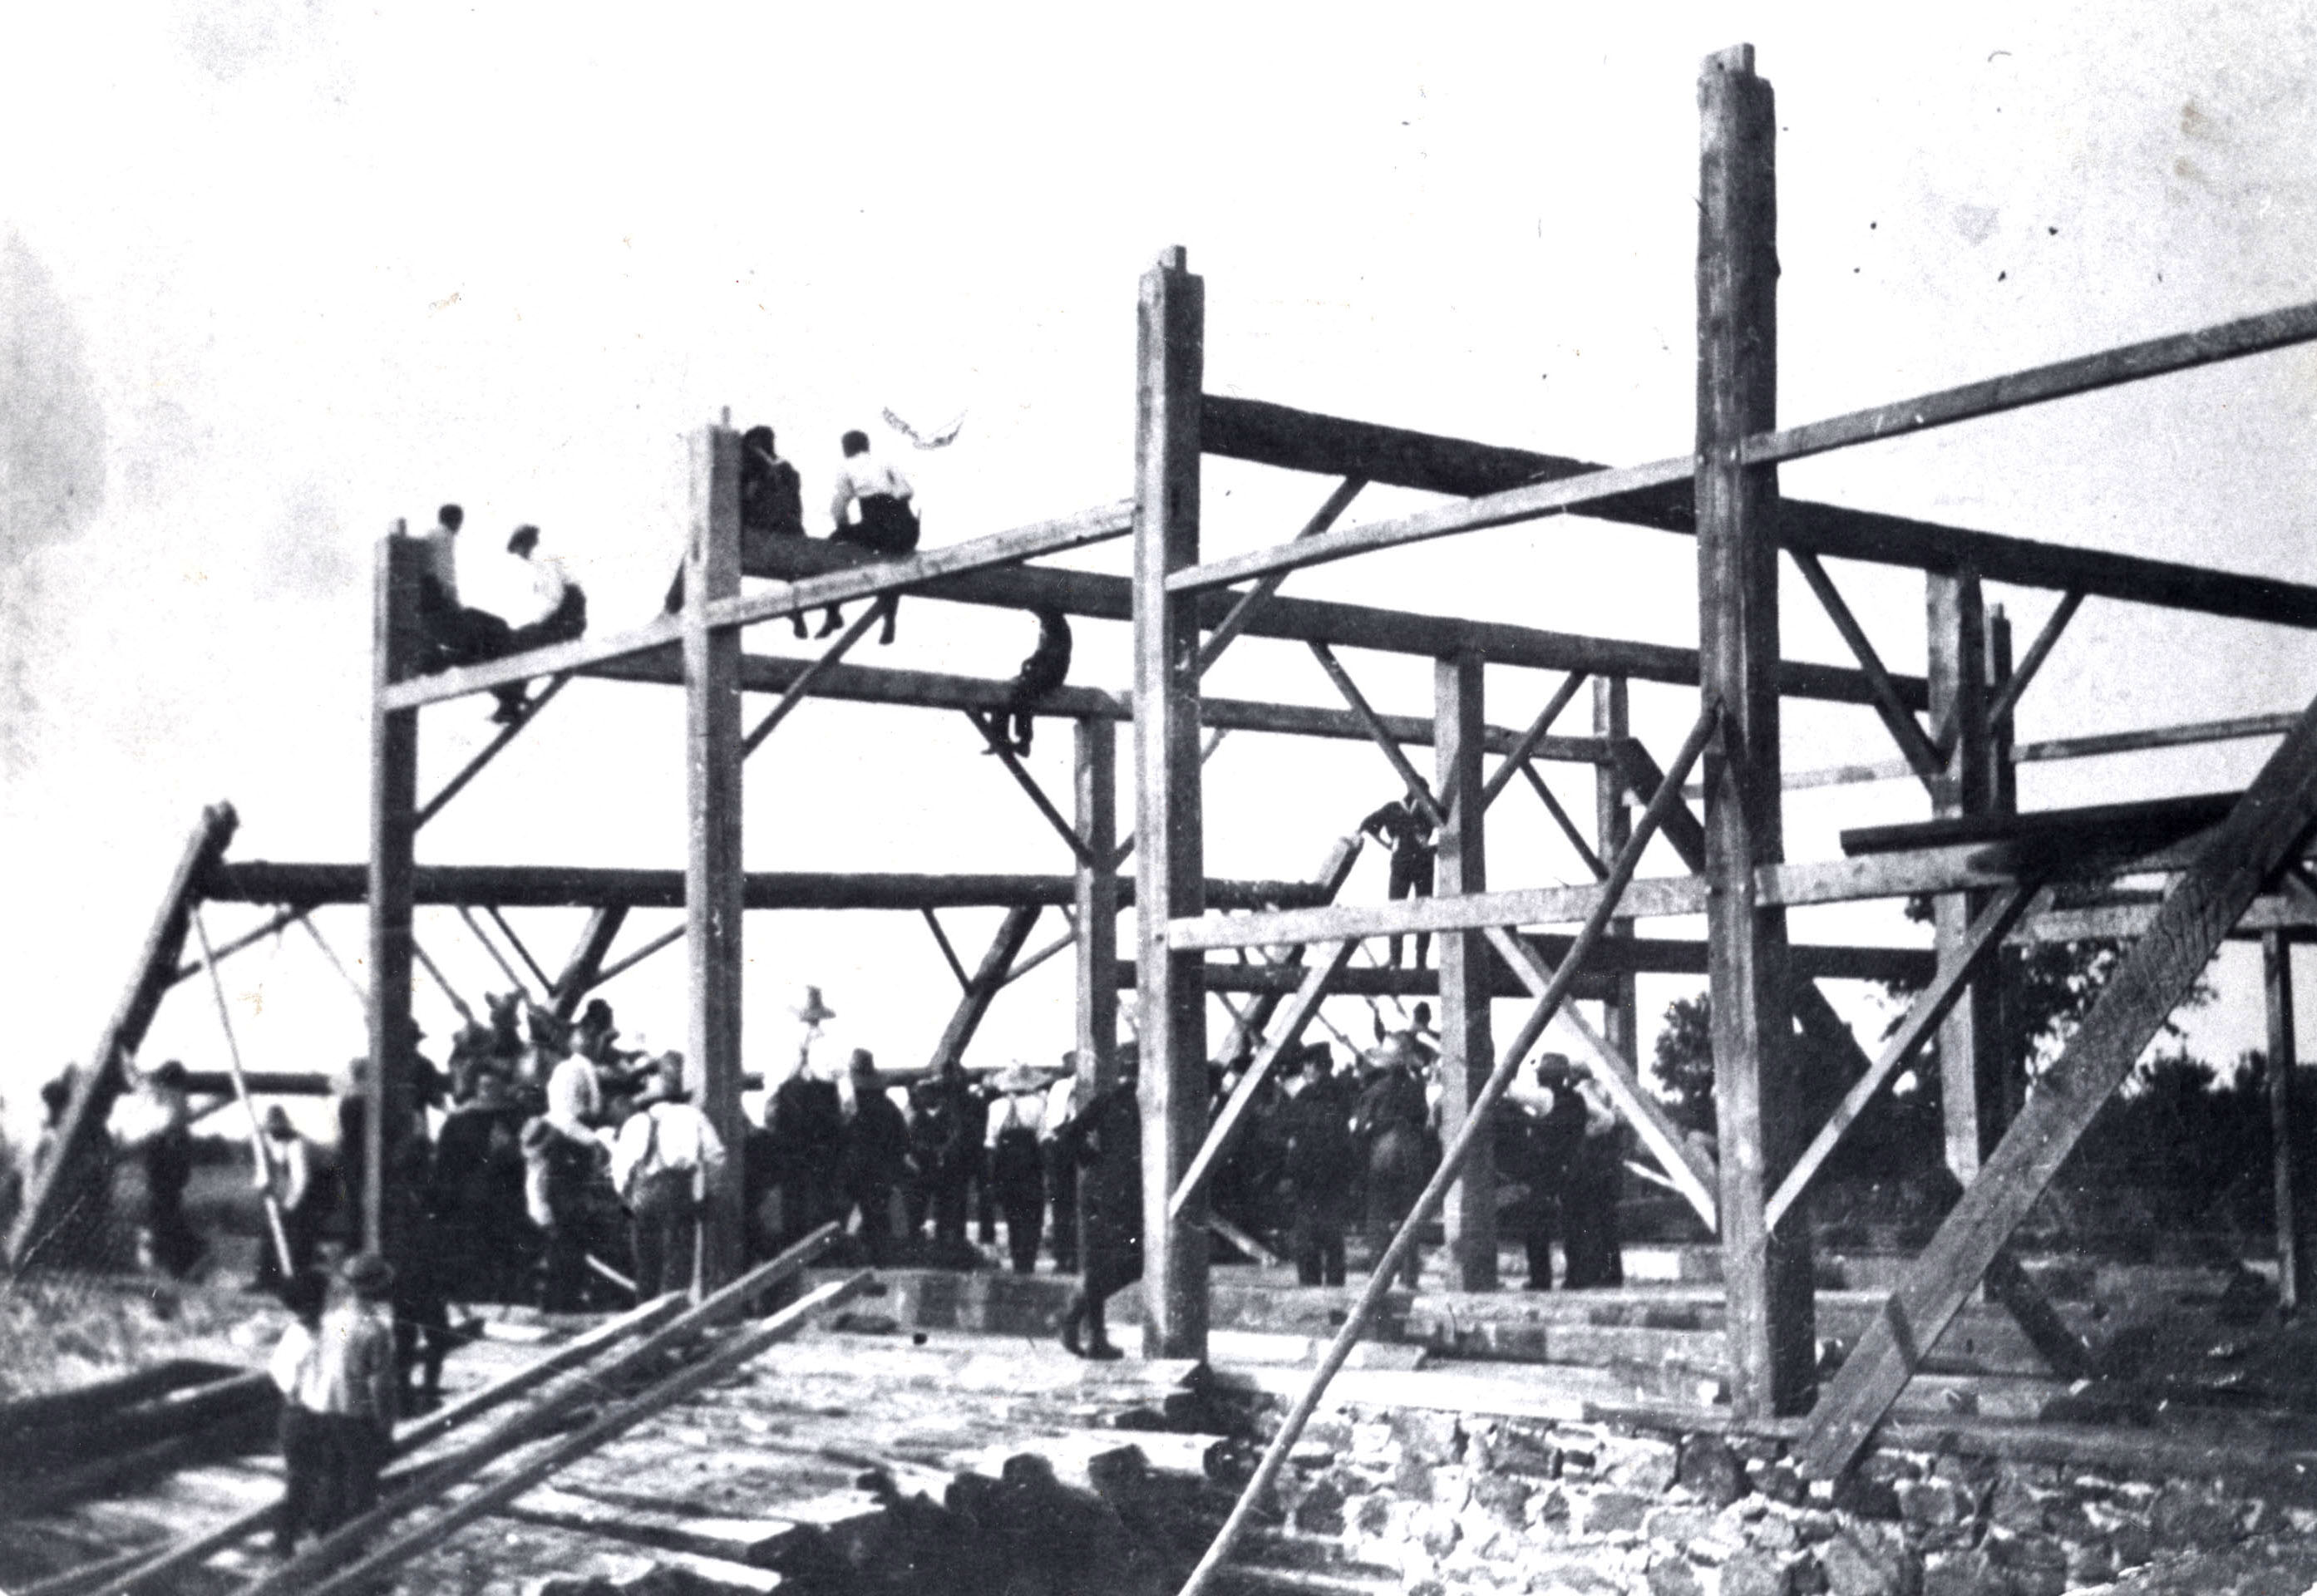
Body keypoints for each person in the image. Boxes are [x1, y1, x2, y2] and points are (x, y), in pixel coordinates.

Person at [663, 425, 809, 633]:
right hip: (790, 532)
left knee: (697, 553)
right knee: (797, 565)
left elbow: (742, 501)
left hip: (758, 531)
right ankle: (800, 610)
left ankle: (670, 607)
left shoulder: (754, 463)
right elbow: (795, 508)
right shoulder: (789, 470)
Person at [611, 1056, 728, 1298]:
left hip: (642, 1199)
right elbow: (716, 1156)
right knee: (677, 1269)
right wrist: (709, 1193)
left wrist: (628, 1199)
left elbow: (619, 1171)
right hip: (677, 1197)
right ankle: (673, 1316)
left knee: (646, 1269)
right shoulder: (693, 1116)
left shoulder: (636, 1122)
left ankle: (646, 1316)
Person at [1055, 1049, 1141, 1359]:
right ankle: (1078, 1318)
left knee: (1099, 1261)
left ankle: (1092, 1332)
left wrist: (1093, 1160)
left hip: (1099, 1186)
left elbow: (1067, 1138)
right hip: (1129, 1190)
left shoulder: (1106, 1101)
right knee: (1135, 1262)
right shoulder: (1148, 1102)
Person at [306, 1254, 399, 1532]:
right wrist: (385, 1427)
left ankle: (323, 1538)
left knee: (330, 1480)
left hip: (322, 1409)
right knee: (360, 1486)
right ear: (380, 1288)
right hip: (355, 1415)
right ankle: (353, 1543)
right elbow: (379, 1386)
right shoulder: (374, 1330)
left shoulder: (331, 1320)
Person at [819, 429, 918, 642]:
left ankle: (833, 613)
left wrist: (844, 529)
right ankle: (889, 620)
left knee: (832, 547)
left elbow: (839, 508)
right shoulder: (885, 460)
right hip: (906, 528)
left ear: (846, 448)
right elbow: (907, 491)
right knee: (890, 565)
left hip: (878, 527)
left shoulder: (846, 466)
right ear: (867, 446)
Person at [1353, 1036, 1431, 1291]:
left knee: (1378, 1216)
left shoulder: (1375, 1090)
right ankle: (1409, 1275)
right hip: (1411, 1154)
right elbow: (1423, 1120)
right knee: (1409, 1216)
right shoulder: (1416, 1088)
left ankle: (1378, 1275)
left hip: (1383, 1155)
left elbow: (1361, 1127)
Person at [490, 524, 589, 723]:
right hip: (567, 620)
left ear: (524, 544)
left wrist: (536, 624)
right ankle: (510, 700)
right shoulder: (545, 556)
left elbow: (554, 598)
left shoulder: (541, 557)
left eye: (518, 550)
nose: (520, 556)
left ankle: (510, 701)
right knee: (521, 641)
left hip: (566, 621)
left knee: (517, 643)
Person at [1502, 1055, 1585, 1291]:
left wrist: (1506, 1073)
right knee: (1572, 1225)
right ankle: (1576, 1276)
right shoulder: (1576, 1100)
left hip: (1545, 1169)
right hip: (1570, 1166)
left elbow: (1512, 1093)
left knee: (1536, 1225)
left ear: (1546, 1077)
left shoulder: (1544, 1097)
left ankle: (1541, 1279)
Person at [1278, 1045, 1357, 1288]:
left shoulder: (1311, 1097)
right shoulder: (1341, 1093)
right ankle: (1334, 1294)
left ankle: (1312, 1292)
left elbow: (1293, 1132)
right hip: (1331, 1178)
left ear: (1318, 1066)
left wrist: (1292, 1168)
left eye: (1309, 1064)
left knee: (1309, 1239)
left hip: (1312, 1177)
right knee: (1332, 1240)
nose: (1305, 1069)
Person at [267, 1267, 332, 1553]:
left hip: (322, 1413)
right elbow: (284, 1377)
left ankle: (318, 1533)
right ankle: (284, 1541)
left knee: (325, 1476)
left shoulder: (328, 1330)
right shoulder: (296, 1338)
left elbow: (343, 1340)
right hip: (302, 1417)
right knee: (301, 1480)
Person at [413, 504, 515, 681]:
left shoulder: (430, 535)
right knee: (488, 628)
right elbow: (444, 570)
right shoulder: (445, 536)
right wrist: (453, 599)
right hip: (436, 595)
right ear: (456, 521)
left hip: (426, 596)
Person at [766, 1043, 846, 1249]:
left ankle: (795, 1247)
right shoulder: (829, 1091)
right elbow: (838, 1127)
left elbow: (774, 1125)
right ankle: (825, 1248)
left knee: (793, 1209)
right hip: (823, 1161)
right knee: (822, 1207)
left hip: (792, 1160)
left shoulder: (784, 1090)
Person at [837, 1050, 912, 1264]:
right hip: (880, 1172)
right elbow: (903, 1142)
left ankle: (844, 1260)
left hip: (851, 1169)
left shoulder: (849, 1109)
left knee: (841, 1217)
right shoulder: (889, 1107)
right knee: (878, 1220)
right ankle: (880, 1263)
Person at [523, 1116, 601, 1313]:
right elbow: (539, 1199)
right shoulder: (543, 1167)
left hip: (556, 1219)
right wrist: (551, 1223)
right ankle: (561, 1306)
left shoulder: (541, 1165)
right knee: (564, 1264)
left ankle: (560, 1303)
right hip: (557, 1221)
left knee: (563, 1263)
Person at [133, 1061, 201, 1278]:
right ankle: (182, 1258)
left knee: (162, 1206)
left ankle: (184, 1256)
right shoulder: (180, 1098)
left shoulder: (165, 1095)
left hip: (165, 1146)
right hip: (174, 1146)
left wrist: (126, 1061)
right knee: (167, 1205)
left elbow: (139, 1082)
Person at [1560, 1073, 1625, 1289]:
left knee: (1586, 1224)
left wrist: (1587, 1133)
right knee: (1606, 1224)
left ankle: (1587, 1274)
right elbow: (1616, 1118)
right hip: (1606, 1166)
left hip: (1589, 1167)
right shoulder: (1606, 1089)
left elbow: (1607, 1119)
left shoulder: (1582, 1092)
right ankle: (1611, 1273)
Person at [1358, 795, 1438, 968]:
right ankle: (1400, 960)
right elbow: (1367, 825)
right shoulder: (1399, 808)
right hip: (1408, 863)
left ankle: (1415, 961)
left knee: (1421, 910)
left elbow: (1449, 823)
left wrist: (1434, 847)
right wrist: (1388, 844)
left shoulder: (1422, 807)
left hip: (1416, 863)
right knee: (1399, 910)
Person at [979, 608, 1072, 756]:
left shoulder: (1057, 626)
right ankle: (998, 738)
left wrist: (1034, 667)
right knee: (1008, 689)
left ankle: (1023, 741)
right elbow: (1041, 652)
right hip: (1044, 672)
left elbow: (1055, 657)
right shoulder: (1048, 624)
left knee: (1022, 694)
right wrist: (1030, 663)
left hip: (1052, 675)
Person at [985, 1066, 1048, 1275]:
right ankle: (1027, 1260)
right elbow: (1043, 1137)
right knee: (1031, 1213)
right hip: (1029, 1162)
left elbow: (991, 1143)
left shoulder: (995, 1106)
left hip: (1005, 1163)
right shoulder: (1038, 1104)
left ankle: (1017, 1258)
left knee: (1012, 1213)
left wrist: (992, 1175)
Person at [254, 1106, 322, 1293]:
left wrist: (288, 1207)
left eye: (276, 1130)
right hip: (291, 1187)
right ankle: (266, 1279)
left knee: (298, 1233)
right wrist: (264, 1189)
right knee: (270, 1231)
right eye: (270, 1130)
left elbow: (301, 1180)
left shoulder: (296, 1143)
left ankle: (296, 1282)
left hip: (315, 1189)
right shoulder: (267, 1139)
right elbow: (264, 1170)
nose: (273, 1133)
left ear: (284, 1127)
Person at [1041, 1060, 1083, 1274]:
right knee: (1064, 1205)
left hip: (1074, 1144)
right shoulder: (1061, 1088)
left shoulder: (1077, 1086)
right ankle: (1065, 1256)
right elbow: (1052, 1122)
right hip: (1064, 1145)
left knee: (1070, 1206)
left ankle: (1071, 1256)